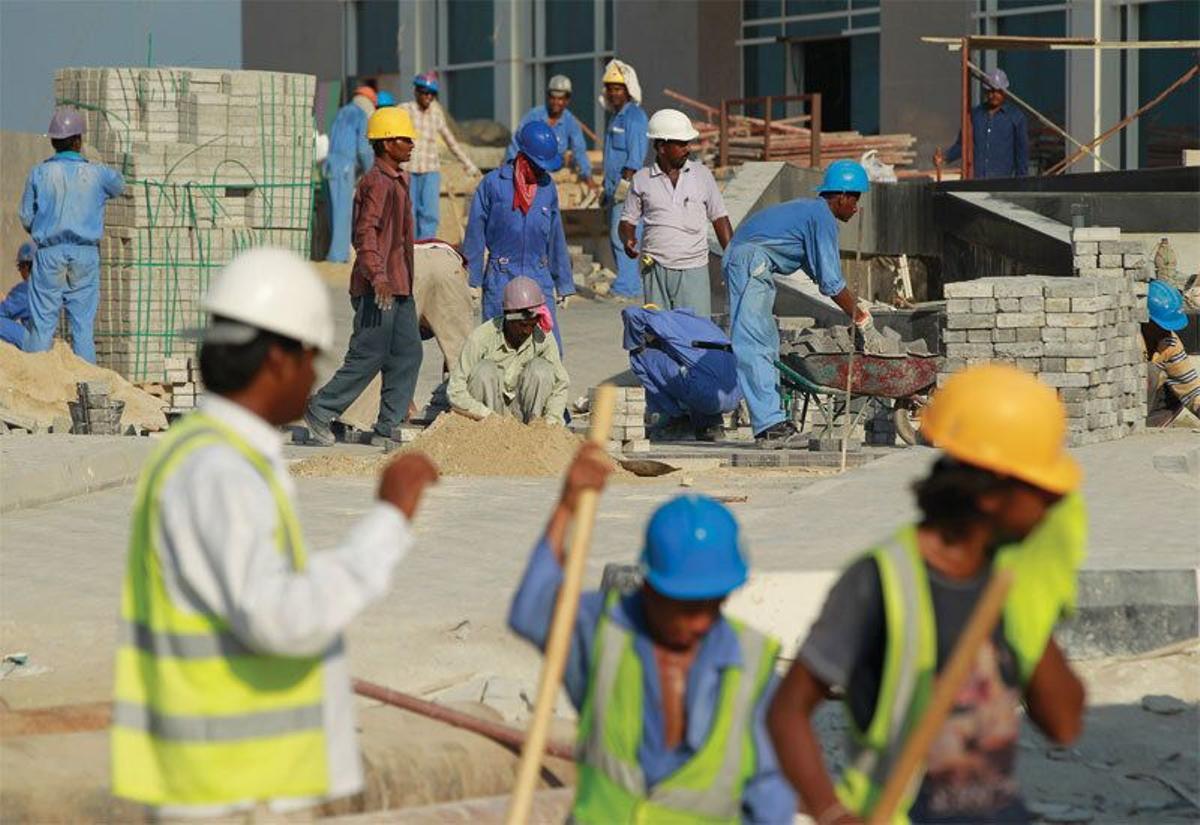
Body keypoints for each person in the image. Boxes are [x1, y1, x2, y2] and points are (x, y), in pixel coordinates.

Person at [110, 246, 440, 815]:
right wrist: (386, 523)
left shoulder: (212, 456)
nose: (314, 378)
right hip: (229, 791)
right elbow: (278, 616)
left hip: (231, 784)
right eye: (313, 360)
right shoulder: (222, 471)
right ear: (279, 362)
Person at [768, 363, 1088, 825]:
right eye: (1042, 487)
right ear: (992, 494)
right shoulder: (881, 580)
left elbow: (1063, 723)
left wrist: (1039, 591)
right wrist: (832, 813)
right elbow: (787, 711)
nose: (1056, 501)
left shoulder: (1007, 580)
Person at [509, 449, 797, 822]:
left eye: (712, 605)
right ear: (650, 587)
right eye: (685, 607)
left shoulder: (754, 669)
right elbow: (531, 607)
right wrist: (567, 508)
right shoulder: (604, 631)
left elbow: (771, 794)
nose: (699, 623)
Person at [723, 160, 882, 447]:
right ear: (841, 196)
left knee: (767, 341)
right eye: (855, 199)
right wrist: (861, 319)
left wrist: (854, 304)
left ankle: (774, 420)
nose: (856, 207)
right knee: (755, 341)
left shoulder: (812, 213)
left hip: (751, 261)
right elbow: (833, 283)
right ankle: (770, 427)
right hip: (749, 261)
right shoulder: (821, 218)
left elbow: (821, 275)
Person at [305, 107, 422, 446]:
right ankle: (321, 409)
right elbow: (365, 234)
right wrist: (378, 276)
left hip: (400, 285)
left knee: (408, 353)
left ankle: (388, 426)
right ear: (386, 144)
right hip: (379, 288)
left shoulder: (399, 181)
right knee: (368, 355)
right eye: (404, 139)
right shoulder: (376, 183)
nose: (411, 144)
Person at [18, 106, 124, 363]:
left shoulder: (40, 173)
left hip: (49, 253)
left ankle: (36, 380)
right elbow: (119, 185)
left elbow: (26, 217)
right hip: (84, 254)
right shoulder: (96, 173)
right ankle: (86, 387)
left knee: (42, 324)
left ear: (53, 142)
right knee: (82, 327)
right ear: (78, 141)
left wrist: (45, 230)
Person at [464, 121, 574, 351]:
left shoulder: (547, 188)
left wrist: (563, 283)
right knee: (497, 348)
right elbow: (475, 231)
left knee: (548, 348)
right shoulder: (493, 184)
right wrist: (471, 280)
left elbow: (555, 237)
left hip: (538, 273)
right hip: (502, 274)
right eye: (538, 165)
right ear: (524, 156)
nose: (541, 171)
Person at [620, 108, 732, 317]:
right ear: (662, 146)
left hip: (694, 269)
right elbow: (627, 220)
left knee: (696, 334)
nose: (687, 149)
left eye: (688, 143)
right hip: (655, 269)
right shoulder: (642, 179)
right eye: (681, 144)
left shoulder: (702, 175)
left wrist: (733, 254)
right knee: (659, 333)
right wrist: (628, 239)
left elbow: (719, 217)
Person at [447, 276, 569, 425]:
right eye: (523, 325)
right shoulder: (481, 337)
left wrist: (552, 421)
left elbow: (560, 384)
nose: (527, 331)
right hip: (488, 418)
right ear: (508, 316)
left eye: (532, 324)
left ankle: (534, 430)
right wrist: (486, 415)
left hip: (525, 412)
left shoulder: (542, 336)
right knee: (484, 370)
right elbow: (455, 391)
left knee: (542, 369)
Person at [622, 304, 742, 442]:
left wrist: (636, 341)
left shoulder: (665, 319)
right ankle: (710, 426)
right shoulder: (701, 323)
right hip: (734, 397)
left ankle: (676, 422)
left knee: (639, 355)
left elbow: (631, 313)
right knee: (695, 369)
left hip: (707, 395)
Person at [401, 71, 482, 239]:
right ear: (416, 91)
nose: (428, 97)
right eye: (425, 92)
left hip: (430, 170)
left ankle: (426, 248)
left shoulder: (436, 114)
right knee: (408, 213)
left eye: (432, 94)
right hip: (408, 169)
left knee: (430, 214)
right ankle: (411, 250)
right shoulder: (405, 110)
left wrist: (469, 165)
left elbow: (451, 141)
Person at [600, 59, 649, 299]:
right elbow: (611, 156)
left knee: (624, 235)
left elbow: (636, 154)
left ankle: (628, 286)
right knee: (616, 235)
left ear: (628, 90)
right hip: (614, 188)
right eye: (610, 88)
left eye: (618, 88)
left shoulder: (635, 117)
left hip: (627, 188)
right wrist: (605, 188)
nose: (613, 93)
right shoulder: (615, 118)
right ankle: (626, 282)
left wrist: (625, 185)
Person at [937, 68, 1029, 179]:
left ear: (1005, 91)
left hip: (1002, 182)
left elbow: (1022, 154)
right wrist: (945, 158)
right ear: (985, 91)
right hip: (975, 180)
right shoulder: (974, 115)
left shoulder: (1016, 117)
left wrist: (1021, 182)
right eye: (990, 91)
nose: (993, 95)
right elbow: (963, 145)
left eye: (997, 91)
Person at [505, 75, 595, 187]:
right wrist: (511, 170)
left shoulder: (570, 121)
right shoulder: (534, 116)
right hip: (528, 173)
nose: (556, 102)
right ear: (548, 97)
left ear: (567, 100)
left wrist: (588, 177)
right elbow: (516, 142)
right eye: (553, 98)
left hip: (553, 176)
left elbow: (579, 149)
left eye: (560, 99)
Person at [324, 85, 377, 262]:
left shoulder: (341, 112)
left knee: (333, 211)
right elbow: (363, 150)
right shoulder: (361, 116)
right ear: (370, 103)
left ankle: (334, 252)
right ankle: (338, 256)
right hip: (345, 167)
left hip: (330, 164)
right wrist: (372, 172)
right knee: (343, 214)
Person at [1142, 279, 1199, 426]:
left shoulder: (1170, 342)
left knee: (1175, 391)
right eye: (1160, 326)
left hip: (1147, 404)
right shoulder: (1128, 339)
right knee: (1151, 372)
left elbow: (1189, 386)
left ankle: (1150, 429)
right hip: (1124, 403)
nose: (1165, 331)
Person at [1, 242, 35, 349]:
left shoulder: (25, 289)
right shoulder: (49, 286)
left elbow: (5, 311)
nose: (20, 272)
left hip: (33, 342)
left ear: (26, 265)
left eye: (20, 267)